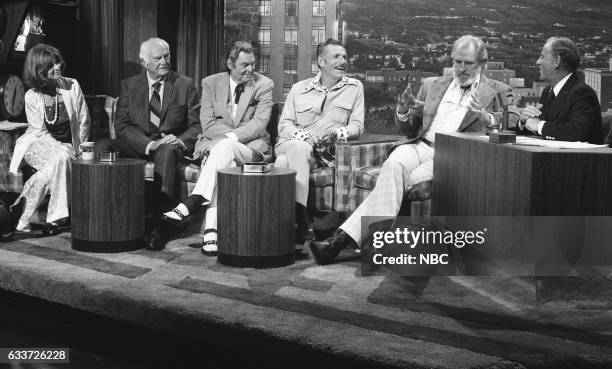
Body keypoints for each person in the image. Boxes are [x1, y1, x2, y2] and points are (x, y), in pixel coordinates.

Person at [310, 35, 519, 264]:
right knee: (394, 164)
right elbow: (410, 129)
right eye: (457, 62)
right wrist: (403, 111)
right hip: (418, 145)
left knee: (396, 182)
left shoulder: (498, 91)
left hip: (450, 156)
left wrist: (489, 118)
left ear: (482, 63)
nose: (460, 68)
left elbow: (513, 123)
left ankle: (339, 240)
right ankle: (365, 244)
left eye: (468, 63)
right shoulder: (433, 84)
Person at [161, 41, 273, 255]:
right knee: (224, 160)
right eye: (244, 65)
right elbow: (208, 124)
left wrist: (228, 139)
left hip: (251, 149)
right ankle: (211, 232)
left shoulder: (264, 84)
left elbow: (259, 125)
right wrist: (225, 143)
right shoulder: (210, 83)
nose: (250, 69)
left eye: (253, 64)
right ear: (230, 63)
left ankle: (192, 202)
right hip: (220, 149)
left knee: (225, 149)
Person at [95, 37, 200, 250]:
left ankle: (159, 226)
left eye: (167, 56)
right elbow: (122, 126)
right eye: (158, 58)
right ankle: (108, 215)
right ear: (144, 62)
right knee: (102, 146)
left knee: (167, 150)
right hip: (139, 145)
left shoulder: (184, 84)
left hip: (168, 147)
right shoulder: (130, 85)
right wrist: (149, 145)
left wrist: (178, 140)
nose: (164, 61)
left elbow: (196, 126)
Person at [274, 38, 364, 243]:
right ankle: (302, 220)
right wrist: (306, 137)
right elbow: (284, 126)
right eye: (336, 56)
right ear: (321, 62)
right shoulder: (298, 89)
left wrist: (337, 133)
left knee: (282, 165)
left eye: (344, 57)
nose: (343, 61)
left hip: (323, 156)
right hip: (292, 145)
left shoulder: (355, 87)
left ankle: (285, 227)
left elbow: (357, 127)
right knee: (298, 148)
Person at [9, 44, 90, 234]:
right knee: (61, 158)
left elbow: (84, 120)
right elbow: (39, 132)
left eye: (58, 62)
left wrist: (79, 150)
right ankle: (57, 218)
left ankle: (21, 215)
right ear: (38, 71)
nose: (58, 67)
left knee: (54, 166)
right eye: (51, 65)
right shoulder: (31, 96)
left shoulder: (72, 86)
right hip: (38, 145)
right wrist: (62, 149)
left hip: (69, 147)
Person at [519, 37, 602, 143]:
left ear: (557, 61)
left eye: (542, 57)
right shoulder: (548, 91)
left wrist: (539, 125)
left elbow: (577, 132)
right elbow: (539, 129)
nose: (537, 62)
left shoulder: (583, 93)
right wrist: (524, 121)